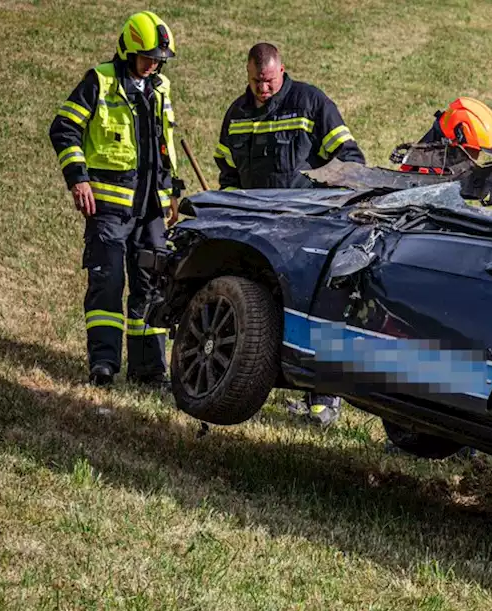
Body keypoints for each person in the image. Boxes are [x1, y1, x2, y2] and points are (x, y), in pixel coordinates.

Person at [213, 42, 365, 426]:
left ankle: (323, 402)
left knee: (312, 310)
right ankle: (250, 385)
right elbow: (228, 172)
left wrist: (329, 207)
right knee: (260, 311)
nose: (262, 89)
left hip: (307, 230)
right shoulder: (237, 114)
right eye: (255, 82)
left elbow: (349, 159)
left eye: (267, 82)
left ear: (281, 72)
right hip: (257, 232)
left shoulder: (310, 103)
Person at [49, 11, 181, 388]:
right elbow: (64, 127)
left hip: (151, 209)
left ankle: (149, 371)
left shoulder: (161, 87)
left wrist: (172, 192)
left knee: (152, 287)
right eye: (147, 58)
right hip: (108, 208)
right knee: (107, 283)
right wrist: (79, 179)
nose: (153, 65)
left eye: (159, 60)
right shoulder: (101, 81)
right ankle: (103, 366)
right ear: (127, 51)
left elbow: (163, 144)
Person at [390, 97, 492, 175]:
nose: (476, 158)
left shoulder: (447, 161)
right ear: (458, 136)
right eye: (474, 150)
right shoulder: (426, 168)